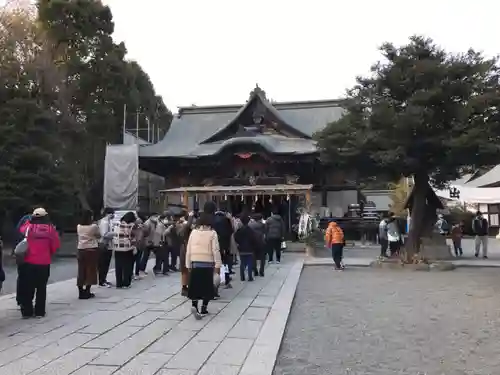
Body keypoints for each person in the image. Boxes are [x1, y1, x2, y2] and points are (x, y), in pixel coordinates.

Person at [18, 208, 60, 318]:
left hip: (29, 261)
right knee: (41, 287)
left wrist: (28, 221)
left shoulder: (28, 227)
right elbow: (55, 245)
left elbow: (20, 229)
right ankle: (40, 312)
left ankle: (27, 311)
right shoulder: (50, 229)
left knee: (28, 287)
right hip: (44, 262)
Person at [185, 212, 221, 319]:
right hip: (208, 263)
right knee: (207, 287)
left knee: (195, 287)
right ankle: (204, 308)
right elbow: (216, 249)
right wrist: (218, 264)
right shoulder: (212, 233)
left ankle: (194, 306)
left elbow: (189, 248)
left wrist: (188, 264)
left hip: (195, 262)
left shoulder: (194, 232)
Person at [76, 210, 100, 299]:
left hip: (81, 249)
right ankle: (87, 290)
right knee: (91, 270)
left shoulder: (79, 226)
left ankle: (80, 290)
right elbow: (99, 235)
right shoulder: (93, 226)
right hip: (91, 249)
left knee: (81, 270)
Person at [112, 211, 137, 288]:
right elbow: (133, 238)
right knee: (127, 266)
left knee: (118, 266)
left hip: (117, 248)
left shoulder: (116, 224)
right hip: (127, 248)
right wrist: (134, 246)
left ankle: (119, 283)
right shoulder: (132, 226)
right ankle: (126, 283)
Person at [213, 205, 234, 287]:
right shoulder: (226, 220)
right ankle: (227, 279)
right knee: (225, 263)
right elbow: (231, 231)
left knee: (215, 263)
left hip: (214, 245)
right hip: (225, 245)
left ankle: (216, 279)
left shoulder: (212, 219)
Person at [234, 215, 259, 281]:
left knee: (242, 263)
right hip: (250, 249)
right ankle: (250, 277)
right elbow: (254, 239)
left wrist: (239, 243)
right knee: (249, 262)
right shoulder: (251, 230)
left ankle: (242, 277)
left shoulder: (239, 231)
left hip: (241, 248)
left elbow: (235, 238)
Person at [97, 208, 115, 287]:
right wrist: (114, 233)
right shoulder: (104, 222)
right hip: (104, 245)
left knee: (106, 264)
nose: (113, 215)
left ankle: (104, 279)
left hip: (107, 245)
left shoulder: (107, 221)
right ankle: (102, 281)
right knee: (103, 264)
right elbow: (104, 234)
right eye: (112, 214)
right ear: (108, 214)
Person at [249, 213, 266, 277]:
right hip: (261, 242)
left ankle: (255, 270)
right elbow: (265, 232)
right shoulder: (262, 225)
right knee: (262, 258)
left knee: (253, 257)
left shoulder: (250, 225)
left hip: (252, 243)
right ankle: (261, 271)